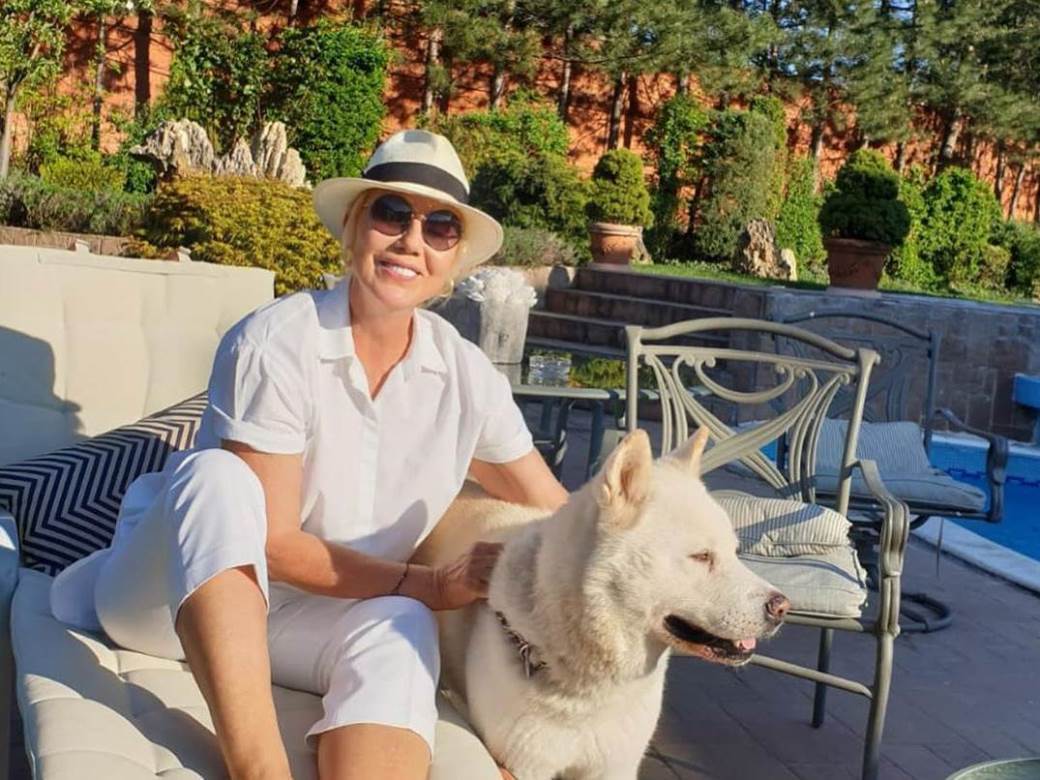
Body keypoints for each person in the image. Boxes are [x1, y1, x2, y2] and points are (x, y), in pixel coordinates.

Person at [50, 129, 570, 780]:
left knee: (403, 623)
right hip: (169, 598)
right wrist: (434, 585)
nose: (412, 239)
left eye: (440, 226)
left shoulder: (466, 376)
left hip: (315, 616)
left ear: (455, 259)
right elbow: (273, 544)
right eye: (391, 213)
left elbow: (559, 511)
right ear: (353, 227)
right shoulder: (277, 341)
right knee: (217, 477)